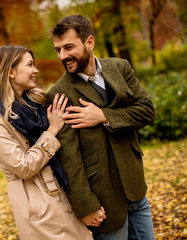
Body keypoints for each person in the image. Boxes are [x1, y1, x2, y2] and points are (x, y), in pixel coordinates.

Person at [46, 15, 156, 239]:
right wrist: (86, 206)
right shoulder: (60, 93)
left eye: (68, 47)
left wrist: (103, 116)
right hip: (103, 202)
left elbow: (146, 111)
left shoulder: (120, 68)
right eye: (58, 50)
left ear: (89, 42)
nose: (63, 55)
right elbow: (70, 160)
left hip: (135, 189)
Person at [0, 45, 93, 240]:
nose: (35, 70)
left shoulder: (37, 102)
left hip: (62, 189)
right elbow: (23, 166)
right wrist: (52, 130)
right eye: (30, 65)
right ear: (11, 72)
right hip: (35, 200)